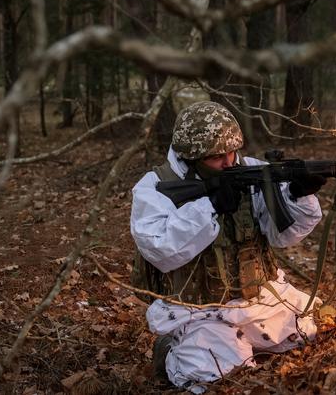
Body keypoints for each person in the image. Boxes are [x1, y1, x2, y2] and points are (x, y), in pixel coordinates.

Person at [130, 101, 325, 392]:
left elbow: (282, 236)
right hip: (197, 309)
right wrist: (210, 205)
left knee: (306, 334)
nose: (229, 162)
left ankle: (244, 341)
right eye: (216, 157)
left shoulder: (249, 171)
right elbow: (160, 249)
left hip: (259, 299)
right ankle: (172, 350)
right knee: (216, 375)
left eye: (232, 152)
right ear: (192, 157)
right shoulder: (155, 186)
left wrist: (297, 194)